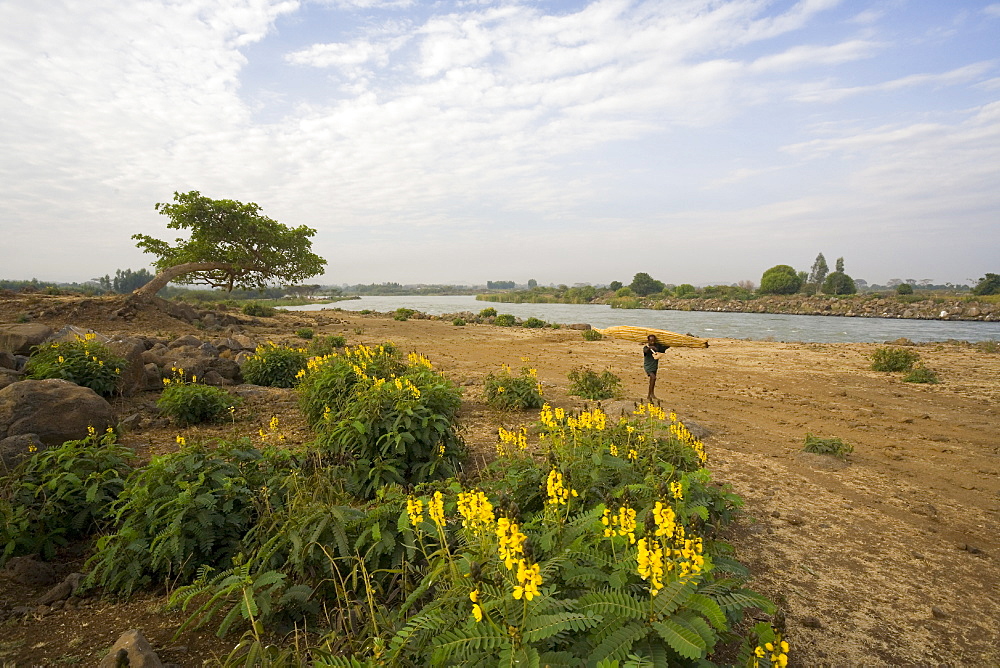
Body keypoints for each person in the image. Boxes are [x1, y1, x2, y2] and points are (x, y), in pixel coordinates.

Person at [642, 334, 669, 402]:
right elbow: (645, 351)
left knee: (652, 380)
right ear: (648, 341)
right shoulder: (646, 347)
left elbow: (665, 347)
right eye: (651, 341)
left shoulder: (658, 347)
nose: (652, 342)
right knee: (653, 377)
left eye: (653, 341)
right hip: (648, 366)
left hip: (654, 366)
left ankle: (650, 394)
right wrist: (650, 348)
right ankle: (651, 395)